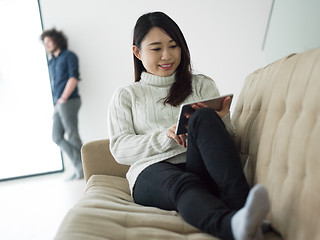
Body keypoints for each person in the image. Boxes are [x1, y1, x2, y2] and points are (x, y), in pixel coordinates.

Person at [107, 12, 270, 240]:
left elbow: (230, 139)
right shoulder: (126, 95)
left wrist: (221, 119)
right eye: (156, 49)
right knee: (184, 183)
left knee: (202, 116)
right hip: (150, 171)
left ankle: (243, 210)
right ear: (137, 52)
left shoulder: (202, 84)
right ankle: (232, 226)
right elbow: (120, 149)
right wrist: (165, 136)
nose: (167, 56)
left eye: (173, 46)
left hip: (197, 164)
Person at [41, 29, 83, 180]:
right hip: (59, 103)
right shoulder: (52, 61)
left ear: (57, 40)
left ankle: (85, 168)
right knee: (56, 136)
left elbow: (74, 77)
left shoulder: (69, 56)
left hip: (69, 100)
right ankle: (80, 166)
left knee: (73, 135)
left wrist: (64, 98)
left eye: (49, 41)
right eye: (45, 43)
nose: (47, 45)